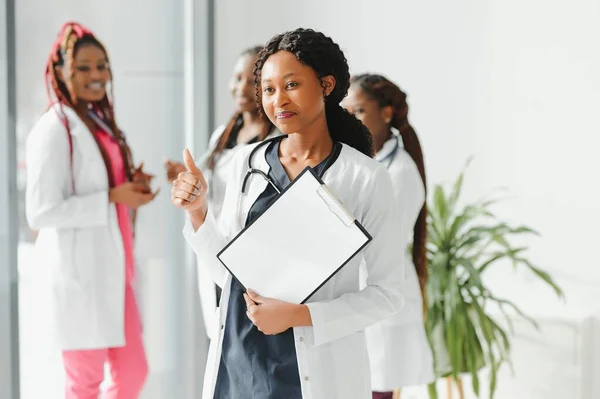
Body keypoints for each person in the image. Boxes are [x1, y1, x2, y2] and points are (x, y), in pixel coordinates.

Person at [171, 28, 406, 399]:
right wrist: (198, 213)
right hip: (240, 358)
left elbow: (388, 294)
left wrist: (300, 315)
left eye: (291, 84)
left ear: (327, 85)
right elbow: (231, 275)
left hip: (313, 371)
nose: (278, 99)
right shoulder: (244, 162)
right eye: (268, 89)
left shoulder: (365, 178)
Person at [26, 21, 155, 398]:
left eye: (101, 66)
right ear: (61, 71)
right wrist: (113, 198)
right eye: (83, 67)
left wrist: (131, 183)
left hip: (116, 274)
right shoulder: (53, 129)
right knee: (84, 385)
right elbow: (40, 212)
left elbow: (106, 182)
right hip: (79, 278)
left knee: (134, 374)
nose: (95, 75)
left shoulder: (98, 123)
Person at [165, 45, 279, 338]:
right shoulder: (224, 135)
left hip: (247, 260)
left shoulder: (276, 142)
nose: (241, 87)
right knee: (219, 339)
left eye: (251, 80)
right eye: (237, 77)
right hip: (214, 246)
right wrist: (188, 181)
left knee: (242, 338)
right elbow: (209, 187)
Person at [344, 73, 435, 399]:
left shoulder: (401, 172)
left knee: (378, 388)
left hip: (382, 296)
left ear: (386, 113)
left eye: (359, 111)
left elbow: (378, 240)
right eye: (346, 111)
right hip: (358, 298)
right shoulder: (364, 162)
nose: (350, 119)